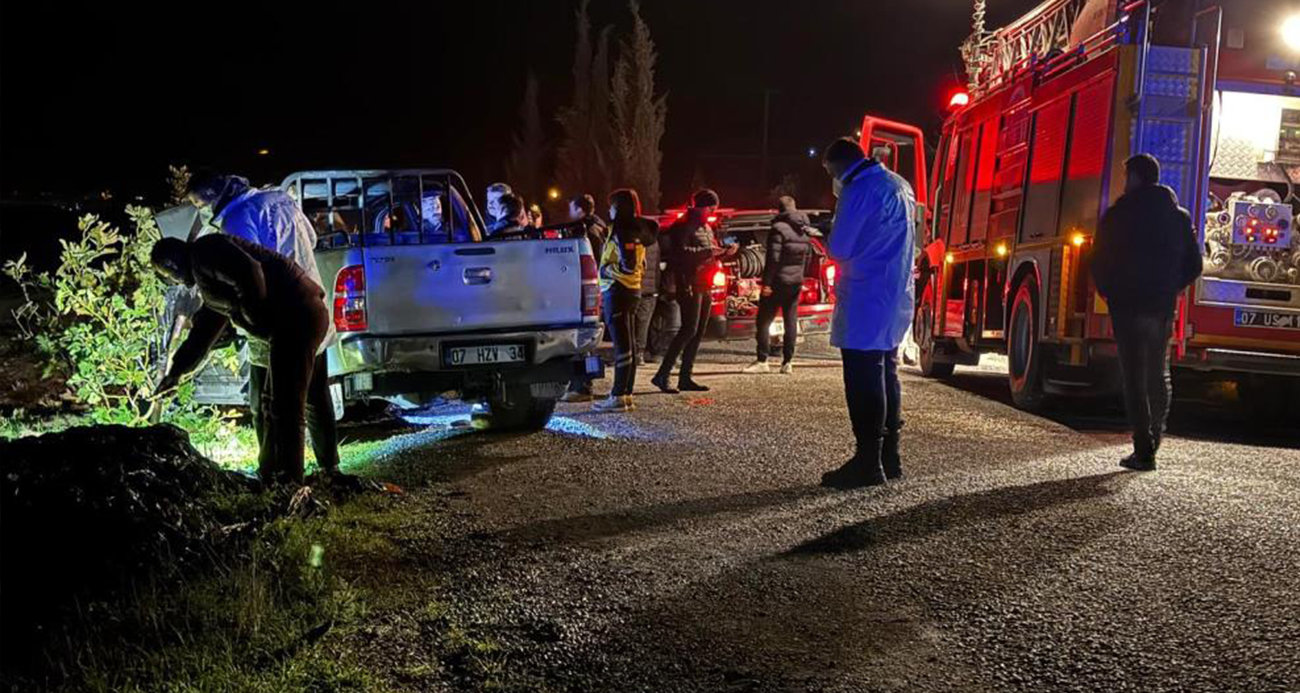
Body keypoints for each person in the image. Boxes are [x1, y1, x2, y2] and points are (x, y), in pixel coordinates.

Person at [186, 173, 340, 476]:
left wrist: (249, 318)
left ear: (213, 197)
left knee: (269, 406)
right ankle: (329, 467)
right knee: (316, 395)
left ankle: (274, 473)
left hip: (277, 321)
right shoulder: (278, 198)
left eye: (199, 204)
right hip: (313, 306)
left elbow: (246, 276)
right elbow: (311, 239)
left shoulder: (236, 220)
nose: (200, 211)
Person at [152, 234, 330, 485]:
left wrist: (254, 315)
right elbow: (203, 333)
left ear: (172, 265)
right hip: (290, 321)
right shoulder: (206, 275)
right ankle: (273, 476)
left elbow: (250, 270)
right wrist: (176, 372)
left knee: (286, 407)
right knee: (273, 404)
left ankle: (290, 483)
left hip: (297, 317)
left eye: (169, 275)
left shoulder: (206, 250)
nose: (175, 282)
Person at [1092, 154, 1202, 472]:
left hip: (1127, 307)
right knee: (1157, 374)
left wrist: (1110, 291)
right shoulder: (1178, 217)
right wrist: (1172, 288)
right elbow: (1194, 265)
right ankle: (1155, 435)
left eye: (1127, 175)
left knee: (1134, 378)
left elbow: (1098, 259)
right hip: (1160, 308)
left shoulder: (1118, 214)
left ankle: (1143, 451)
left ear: (1136, 177)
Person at [817, 138, 916, 490]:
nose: (832, 179)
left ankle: (867, 462)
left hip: (866, 293)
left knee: (862, 377)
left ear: (840, 165)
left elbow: (840, 248)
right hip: (895, 292)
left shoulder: (858, 190)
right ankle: (890, 457)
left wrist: (828, 235)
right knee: (886, 371)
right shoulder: (898, 184)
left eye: (830, 171)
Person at [651, 189, 736, 393]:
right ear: (700, 207)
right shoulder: (683, 226)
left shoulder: (706, 227)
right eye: (710, 207)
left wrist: (723, 253)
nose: (713, 211)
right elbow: (680, 254)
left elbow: (709, 254)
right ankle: (663, 374)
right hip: (689, 283)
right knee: (688, 329)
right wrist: (708, 252)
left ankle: (685, 377)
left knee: (698, 331)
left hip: (705, 283)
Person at [593, 189, 656, 413]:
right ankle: (626, 394)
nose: (609, 210)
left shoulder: (623, 231)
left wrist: (608, 270)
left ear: (619, 207)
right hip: (632, 291)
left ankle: (618, 395)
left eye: (611, 206)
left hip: (617, 291)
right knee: (628, 344)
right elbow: (641, 263)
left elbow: (628, 264)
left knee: (622, 346)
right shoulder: (637, 230)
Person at [743, 196, 813, 375]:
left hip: (778, 282)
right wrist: (801, 276)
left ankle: (762, 360)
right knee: (791, 320)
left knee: (764, 320)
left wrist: (766, 283)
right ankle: (788, 362)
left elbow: (773, 259)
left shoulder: (778, 229)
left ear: (779, 210)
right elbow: (808, 257)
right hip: (795, 282)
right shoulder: (804, 230)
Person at [561, 194, 610, 403]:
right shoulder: (598, 228)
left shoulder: (587, 232)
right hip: (593, 290)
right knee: (586, 341)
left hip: (586, 290)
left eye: (572, 209)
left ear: (580, 210)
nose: (570, 213)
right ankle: (583, 384)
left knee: (582, 340)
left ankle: (582, 386)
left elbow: (593, 263)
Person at [634, 216, 662, 365]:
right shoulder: (654, 243)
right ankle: (640, 352)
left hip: (635, 287)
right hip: (651, 289)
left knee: (634, 323)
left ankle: (636, 353)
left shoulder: (637, 243)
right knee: (644, 323)